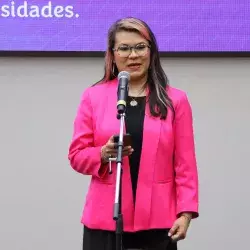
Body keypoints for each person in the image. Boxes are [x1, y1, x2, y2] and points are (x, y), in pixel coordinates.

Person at [68, 17, 199, 250]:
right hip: (105, 220)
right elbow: (77, 155)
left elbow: (185, 163)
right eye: (124, 48)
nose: (133, 55)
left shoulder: (175, 100)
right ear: (112, 54)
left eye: (140, 47)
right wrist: (102, 153)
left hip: (159, 222)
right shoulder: (93, 97)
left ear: (151, 51)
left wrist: (185, 213)